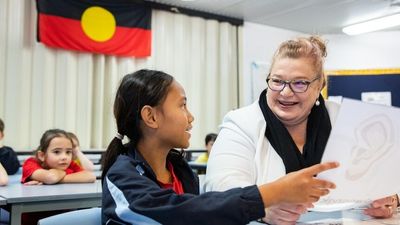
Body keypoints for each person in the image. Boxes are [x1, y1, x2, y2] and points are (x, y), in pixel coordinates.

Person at [101, 69, 339, 225]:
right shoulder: (122, 176)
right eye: (182, 106)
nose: (191, 117)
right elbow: (182, 213)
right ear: (151, 117)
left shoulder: (181, 171)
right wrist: (273, 192)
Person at [204, 35, 399, 224]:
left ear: (319, 86)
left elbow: (390, 175)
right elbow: (219, 187)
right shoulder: (241, 123)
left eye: (299, 83)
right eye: (278, 81)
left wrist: (392, 198)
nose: (286, 92)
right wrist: (262, 207)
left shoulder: (345, 118)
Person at [21, 129, 96, 185]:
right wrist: (49, 179)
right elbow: (51, 177)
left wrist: (51, 180)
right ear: (42, 155)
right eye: (57, 152)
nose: (64, 157)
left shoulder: (70, 164)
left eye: (68, 152)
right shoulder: (31, 163)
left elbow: (90, 176)